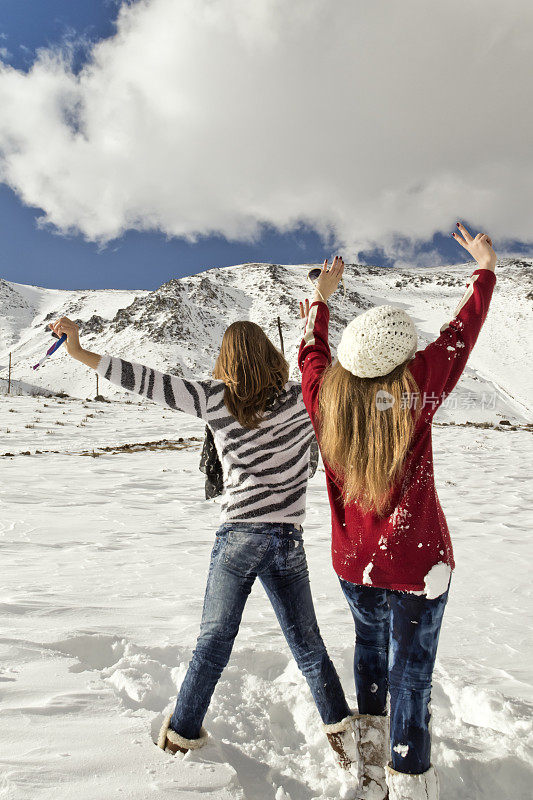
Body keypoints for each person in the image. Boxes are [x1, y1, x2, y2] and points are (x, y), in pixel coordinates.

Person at [49, 315, 361, 775]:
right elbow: (334, 374)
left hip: (238, 536)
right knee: (309, 648)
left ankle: (180, 744)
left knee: (213, 642)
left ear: (227, 360)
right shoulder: (301, 400)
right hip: (287, 540)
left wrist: (78, 351)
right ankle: (348, 744)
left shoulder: (215, 399)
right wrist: (317, 306)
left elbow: (146, 381)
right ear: (270, 356)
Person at [297, 223, 497, 800]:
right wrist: (483, 270)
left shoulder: (324, 398)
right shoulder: (414, 393)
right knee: (413, 671)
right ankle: (408, 780)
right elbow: (460, 335)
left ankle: (371, 745)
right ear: (401, 361)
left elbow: (311, 353)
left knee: (368, 646)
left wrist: (320, 300)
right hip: (417, 565)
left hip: (352, 560)